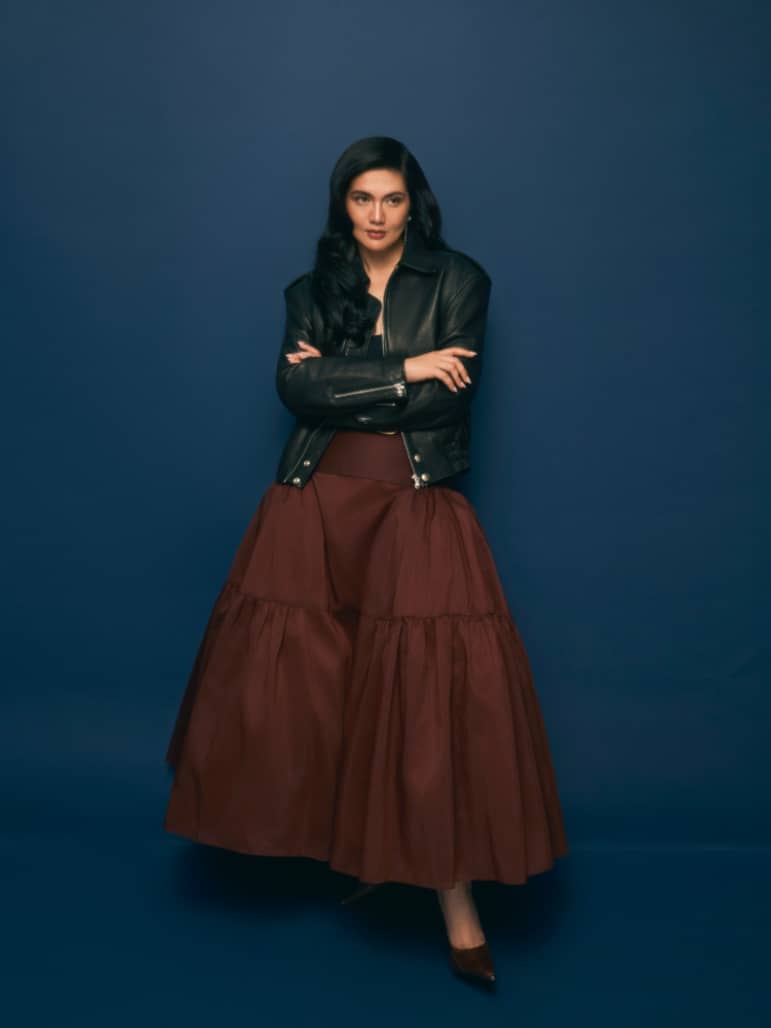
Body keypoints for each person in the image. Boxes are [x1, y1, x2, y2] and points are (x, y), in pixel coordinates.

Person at [163, 135, 568, 987]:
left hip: (410, 502)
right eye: (360, 199)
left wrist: (347, 379)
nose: (376, 216)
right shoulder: (312, 290)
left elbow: (443, 397)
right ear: (340, 205)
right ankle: (361, 852)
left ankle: (458, 912)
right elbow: (294, 390)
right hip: (313, 501)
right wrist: (405, 366)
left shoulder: (459, 280)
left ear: (414, 204)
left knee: (421, 698)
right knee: (314, 694)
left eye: (391, 199)